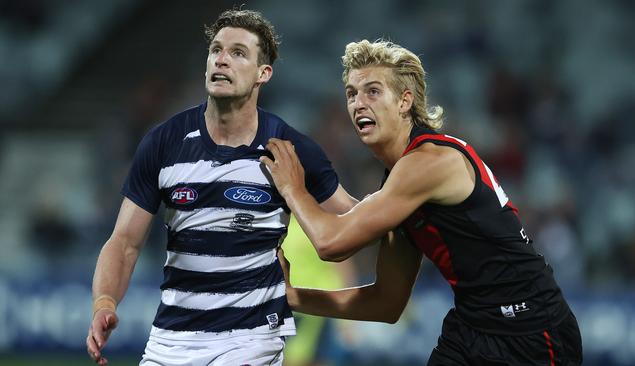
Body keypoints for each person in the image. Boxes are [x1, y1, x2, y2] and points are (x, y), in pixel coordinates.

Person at [261, 39, 583, 365]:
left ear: (405, 101)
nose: (358, 103)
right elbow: (386, 303)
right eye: (351, 93)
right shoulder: (399, 183)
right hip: (473, 326)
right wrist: (291, 297)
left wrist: (292, 187)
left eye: (372, 91)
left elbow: (331, 244)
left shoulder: (428, 162)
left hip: (530, 329)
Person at [85, 9, 356, 366]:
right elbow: (124, 242)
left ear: (264, 73)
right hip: (171, 339)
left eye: (238, 53)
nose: (222, 60)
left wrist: (415, 200)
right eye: (216, 50)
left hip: (251, 337)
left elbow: (355, 217)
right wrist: (105, 302)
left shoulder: (289, 148)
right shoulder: (164, 143)